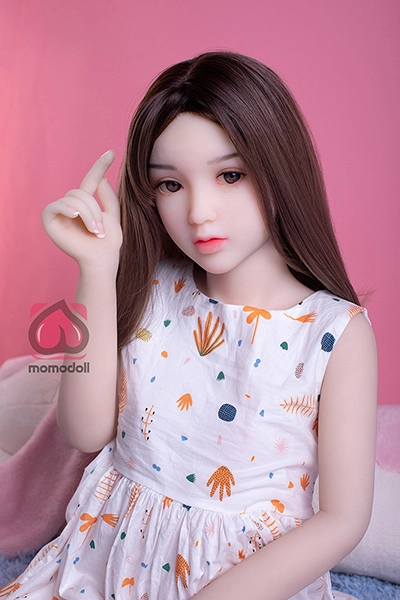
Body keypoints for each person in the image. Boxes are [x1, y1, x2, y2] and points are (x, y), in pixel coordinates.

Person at [1, 51, 377, 600]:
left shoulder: (333, 333)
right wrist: (97, 269)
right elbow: (84, 431)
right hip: (104, 564)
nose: (200, 212)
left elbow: (342, 519)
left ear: (281, 168)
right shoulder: (153, 286)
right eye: (171, 185)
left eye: (230, 175)